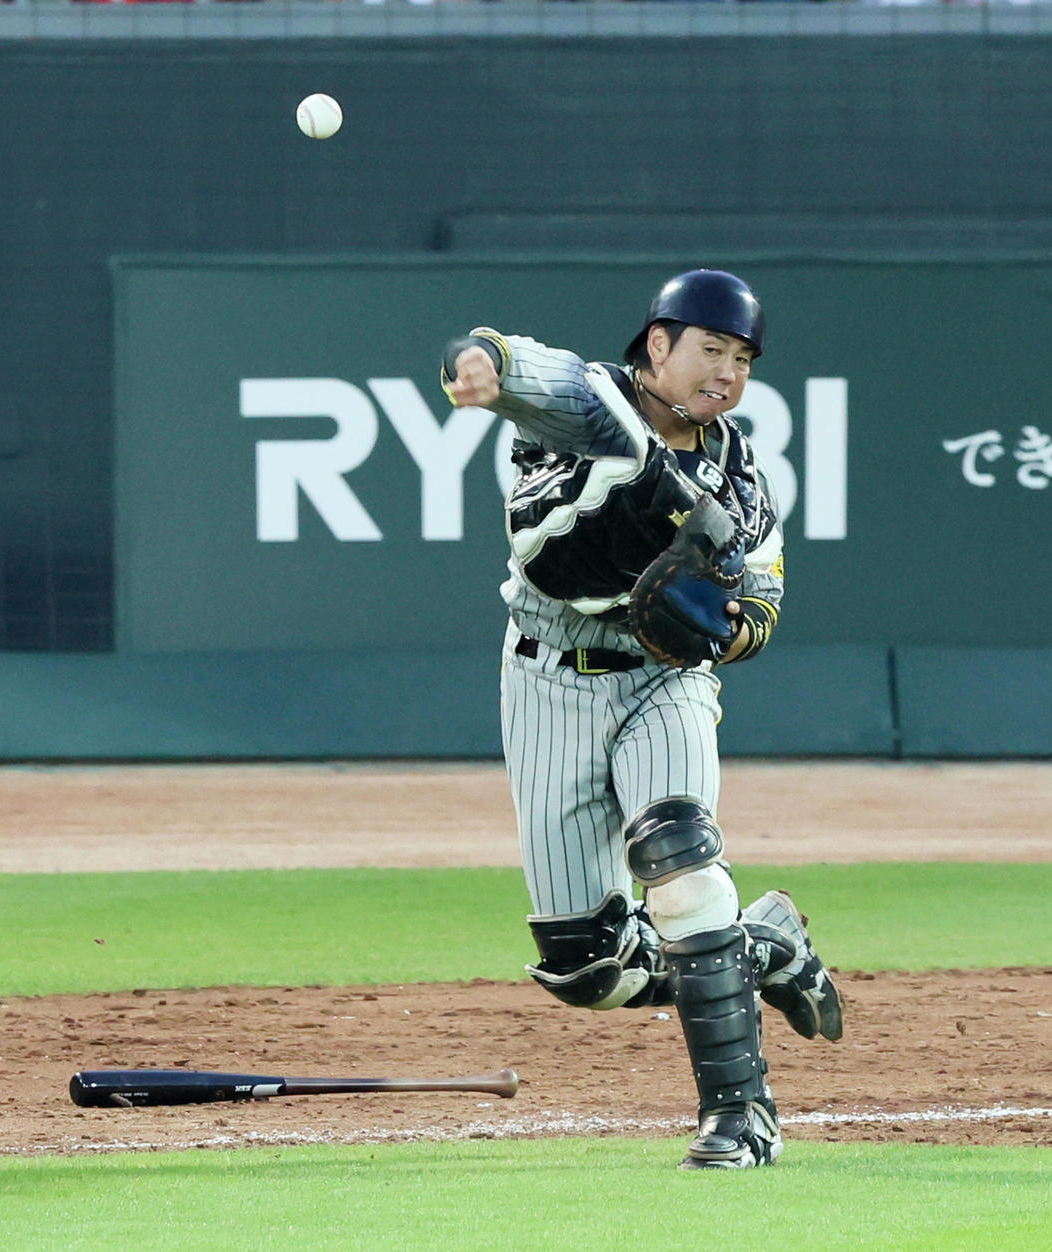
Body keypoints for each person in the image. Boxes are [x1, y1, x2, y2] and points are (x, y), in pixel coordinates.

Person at [440, 269, 842, 1170]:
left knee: (678, 855)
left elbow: (762, 606)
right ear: (658, 345)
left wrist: (728, 629)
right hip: (546, 677)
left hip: (663, 681)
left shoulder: (741, 481)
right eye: (712, 350)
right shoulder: (597, 409)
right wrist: (479, 366)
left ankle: (741, 1113)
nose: (728, 373)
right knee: (585, 965)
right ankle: (762, 945)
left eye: (743, 360)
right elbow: (511, 363)